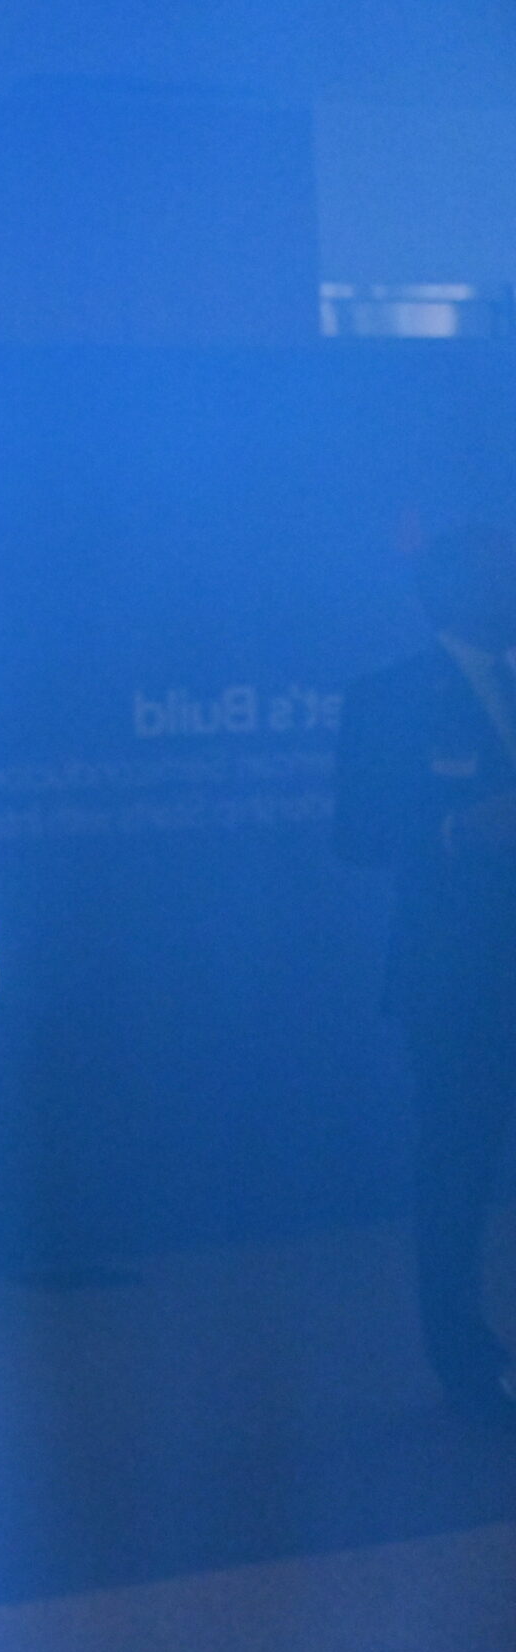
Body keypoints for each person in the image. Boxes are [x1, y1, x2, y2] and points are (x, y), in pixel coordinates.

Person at [335, 524, 516, 1425]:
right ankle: (465, 1360)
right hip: (458, 984)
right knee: (458, 1174)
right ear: (445, 588)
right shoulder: (388, 698)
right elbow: (355, 834)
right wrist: (457, 830)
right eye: (497, 566)